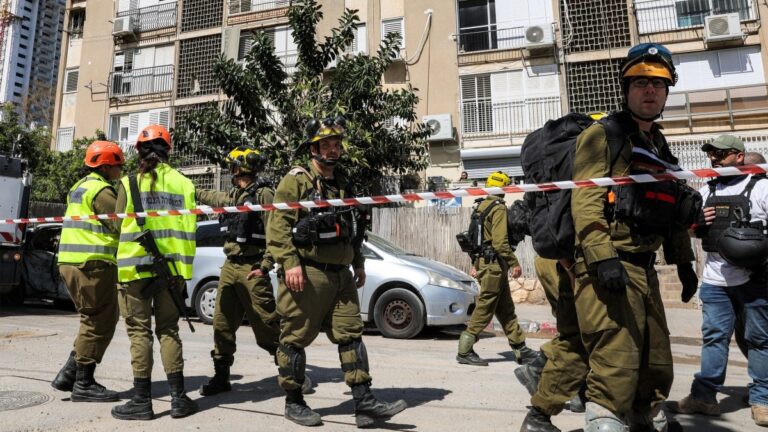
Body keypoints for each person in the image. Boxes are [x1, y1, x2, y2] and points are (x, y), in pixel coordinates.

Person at [568, 43, 699, 432]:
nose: (649, 91)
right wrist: (601, 256)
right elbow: (586, 199)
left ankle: (643, 417)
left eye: (658, 84)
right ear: (625, 89)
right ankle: (605, 420)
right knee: (616, 360)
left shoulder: (658, 145)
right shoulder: (603, 135)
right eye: (640, 82)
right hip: (610, 264)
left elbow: (670, 209)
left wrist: (684, 262)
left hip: (645, 268)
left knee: (655, 360)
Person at [267, 116, 407, 428]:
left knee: (351, 336)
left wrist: (358, 261)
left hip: (342, 273)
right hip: (308, 273)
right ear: (313, 148)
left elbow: (351, 228)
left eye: (336, 144)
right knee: (295, 338)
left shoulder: (343, 183)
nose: (333, 150)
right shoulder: (296, 181)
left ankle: (364, 402)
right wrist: (290, 264)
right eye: (326, 144)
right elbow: (277, 228)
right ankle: (294, 401)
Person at [673, 135, 768, 427]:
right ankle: (704, 397)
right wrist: (696, 224)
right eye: (711, 153)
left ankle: (762, 400)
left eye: (721, 153)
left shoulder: (762, 187)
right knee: (714, 338)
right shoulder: (705, 190)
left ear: (739, 157)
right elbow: (689, 229)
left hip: (755, 278)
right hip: (715, 280)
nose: (714, 158)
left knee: (760, 340)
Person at [110, 125, 199, 421]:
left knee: (139, 332)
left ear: (138, 151)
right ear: (168, 150)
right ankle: (178, 399)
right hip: (171, 273)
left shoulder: (128, 183)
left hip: (134, 271)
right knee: (169, 330)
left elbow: (116, 227)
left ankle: (141, 401)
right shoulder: (184, 184)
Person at [195, 146, 282, 395]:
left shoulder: (264, 195)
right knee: (221, 325)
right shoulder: (236, 194)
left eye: (232, 166)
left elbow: (275, 235)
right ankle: (221, 377)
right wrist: (192, 190)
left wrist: (264, 267)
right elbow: (215, 198)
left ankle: (290, 372)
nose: (229, 170)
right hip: (230, 267)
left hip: (253, 268)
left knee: (267, 325)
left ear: (240, 168)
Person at [51, 140, 125, 402]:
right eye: (117, 164)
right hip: (92, 264)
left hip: (72, 262)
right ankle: (83, 383)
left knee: (92, 319)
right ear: (106, 166)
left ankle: (70, 374)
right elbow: (120, 226)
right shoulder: (102, 191)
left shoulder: (79, 187)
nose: (120, 169)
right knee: (98, 321)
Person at [456, 171, 540, 367]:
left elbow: (473, 241)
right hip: (494, 265)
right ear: (503, 189)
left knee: (506, 309)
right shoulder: (498, 208)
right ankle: (465, 349)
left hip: (486, 263)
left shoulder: (480, 206)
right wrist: (514, 263)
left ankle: (520, 348)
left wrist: (476, 264)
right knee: (486, 306)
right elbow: (500, 243)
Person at [517, 257, 588, 432]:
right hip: (565, 261)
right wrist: (571, 268)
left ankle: (578, 394)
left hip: (563, 261)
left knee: (578, 332)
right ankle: (538, 368)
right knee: (577, 334)